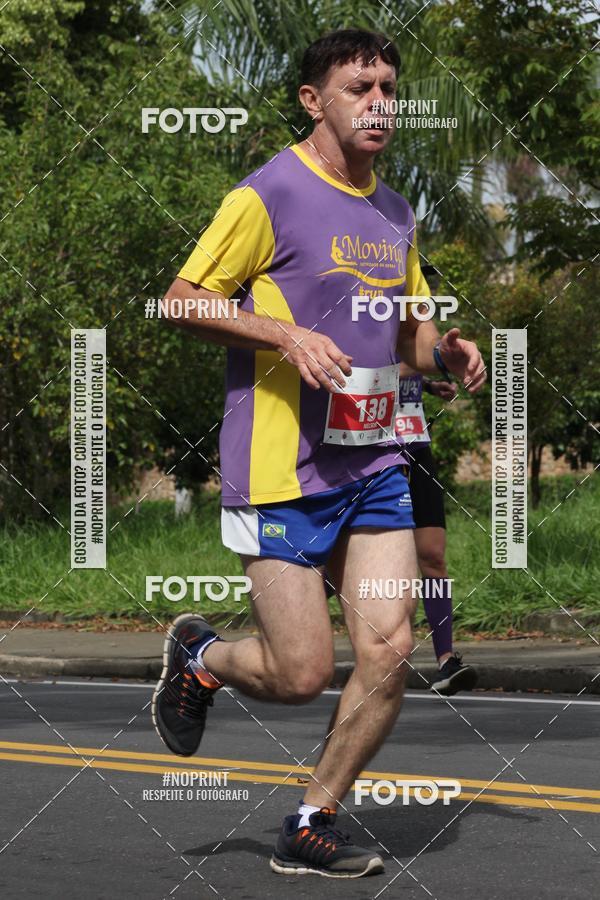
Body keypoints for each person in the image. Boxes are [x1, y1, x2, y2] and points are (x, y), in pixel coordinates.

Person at [151, 28, 486, 879]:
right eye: (358, 87)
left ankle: (310, 818)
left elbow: (402, 333)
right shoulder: (268, 193)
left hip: (371, 460)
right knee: (302, 674)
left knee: (390, 647)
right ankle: (201, 657)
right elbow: (182, 302)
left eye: (388, 87)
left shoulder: (395, 210)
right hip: (279, 467)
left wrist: (441, 352)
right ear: (314, 101)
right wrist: (283, 334)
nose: (380, 102)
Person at [395, 365, 478, 695]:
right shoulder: (359, 316)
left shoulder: (408, 317)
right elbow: (366, 364)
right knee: (338, 564)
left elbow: (404, 362)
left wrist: (426, 384)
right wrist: (427, 362)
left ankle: (446, 661)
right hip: (373, 452)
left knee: (432, 556)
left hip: (416, 446)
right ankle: (286, 620)